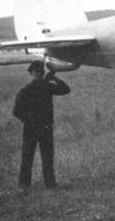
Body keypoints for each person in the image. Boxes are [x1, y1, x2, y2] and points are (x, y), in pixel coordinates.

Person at [13, 60, 71, 190]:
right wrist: (54, 78)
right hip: (43, 127)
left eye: (40, 71)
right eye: (37, 71)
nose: (38, 73)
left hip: (33, 128)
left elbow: (16, 112)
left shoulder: (26, 90)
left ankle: (24, 185)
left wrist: (27, 120)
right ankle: (50, 184)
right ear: (33, 73)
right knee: (45, 157)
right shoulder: (46, 87)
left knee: (29, 157)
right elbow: (65, 89)